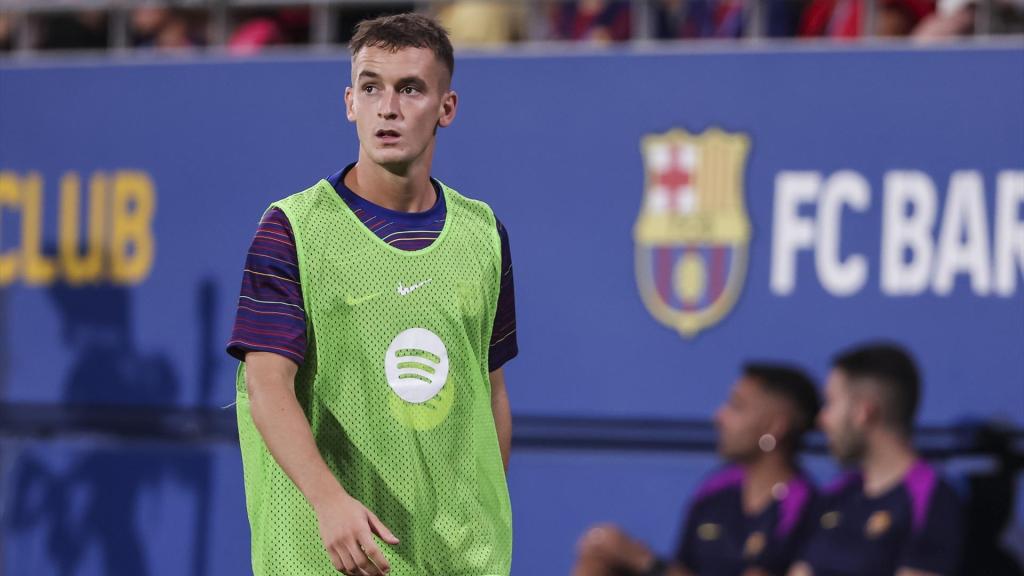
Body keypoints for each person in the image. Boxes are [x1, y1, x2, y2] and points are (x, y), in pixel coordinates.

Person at [226, 13, 517, 575]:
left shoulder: (484, 234)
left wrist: (478, 522)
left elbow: (491, 392)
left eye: (410, 89)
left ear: (446, 108)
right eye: (371, 87)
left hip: (455, 562)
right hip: (323, 558)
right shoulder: (291, 228)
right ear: (349, 103)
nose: (388, 107)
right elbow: (266, 387)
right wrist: (329, 502)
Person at [574, 363, 821, 576]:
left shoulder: (804, 506)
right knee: (599, 548)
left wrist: (643, 560)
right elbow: (682, 566)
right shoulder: (716, 490)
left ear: (774, 426)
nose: (719, 416)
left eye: (737, 407)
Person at [789, 343, 963, 576]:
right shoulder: (838, 493)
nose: (822, 420)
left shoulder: (934, 498)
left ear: (864, 412)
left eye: (830, 403)